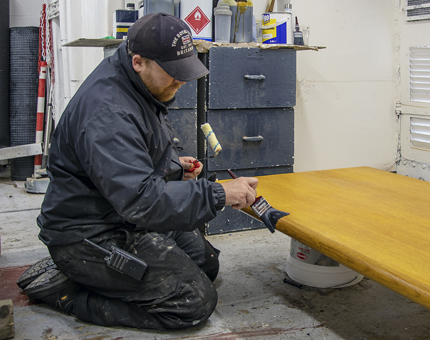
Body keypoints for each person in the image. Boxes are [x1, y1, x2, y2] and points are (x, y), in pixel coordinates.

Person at [20, 13, 258, 330]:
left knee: (206, 264)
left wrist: (173, 168)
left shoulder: (141, 86)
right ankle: (69, 292)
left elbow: (135, 157)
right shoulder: (107, 112)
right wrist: (219, 193)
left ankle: (103, 278)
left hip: (121, 213)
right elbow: (142, 199)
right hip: (90, 235)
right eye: (173, 73)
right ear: (138, 62)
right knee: (193, 301)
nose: (181, 81)